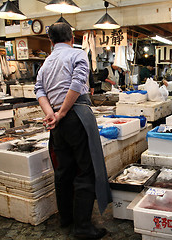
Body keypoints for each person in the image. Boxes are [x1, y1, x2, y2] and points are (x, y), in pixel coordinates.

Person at [34, 23, 112, 239]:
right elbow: (77, 84)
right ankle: (83, 227)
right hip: (76, 116)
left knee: (63, 171)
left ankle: (66, 218)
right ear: (72, 38)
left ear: (51, 42)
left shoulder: (46, 63)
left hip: (57, 124)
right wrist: (62, 113)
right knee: (85, 171)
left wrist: (52, 114)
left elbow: (39, 90)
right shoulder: (77, 54)